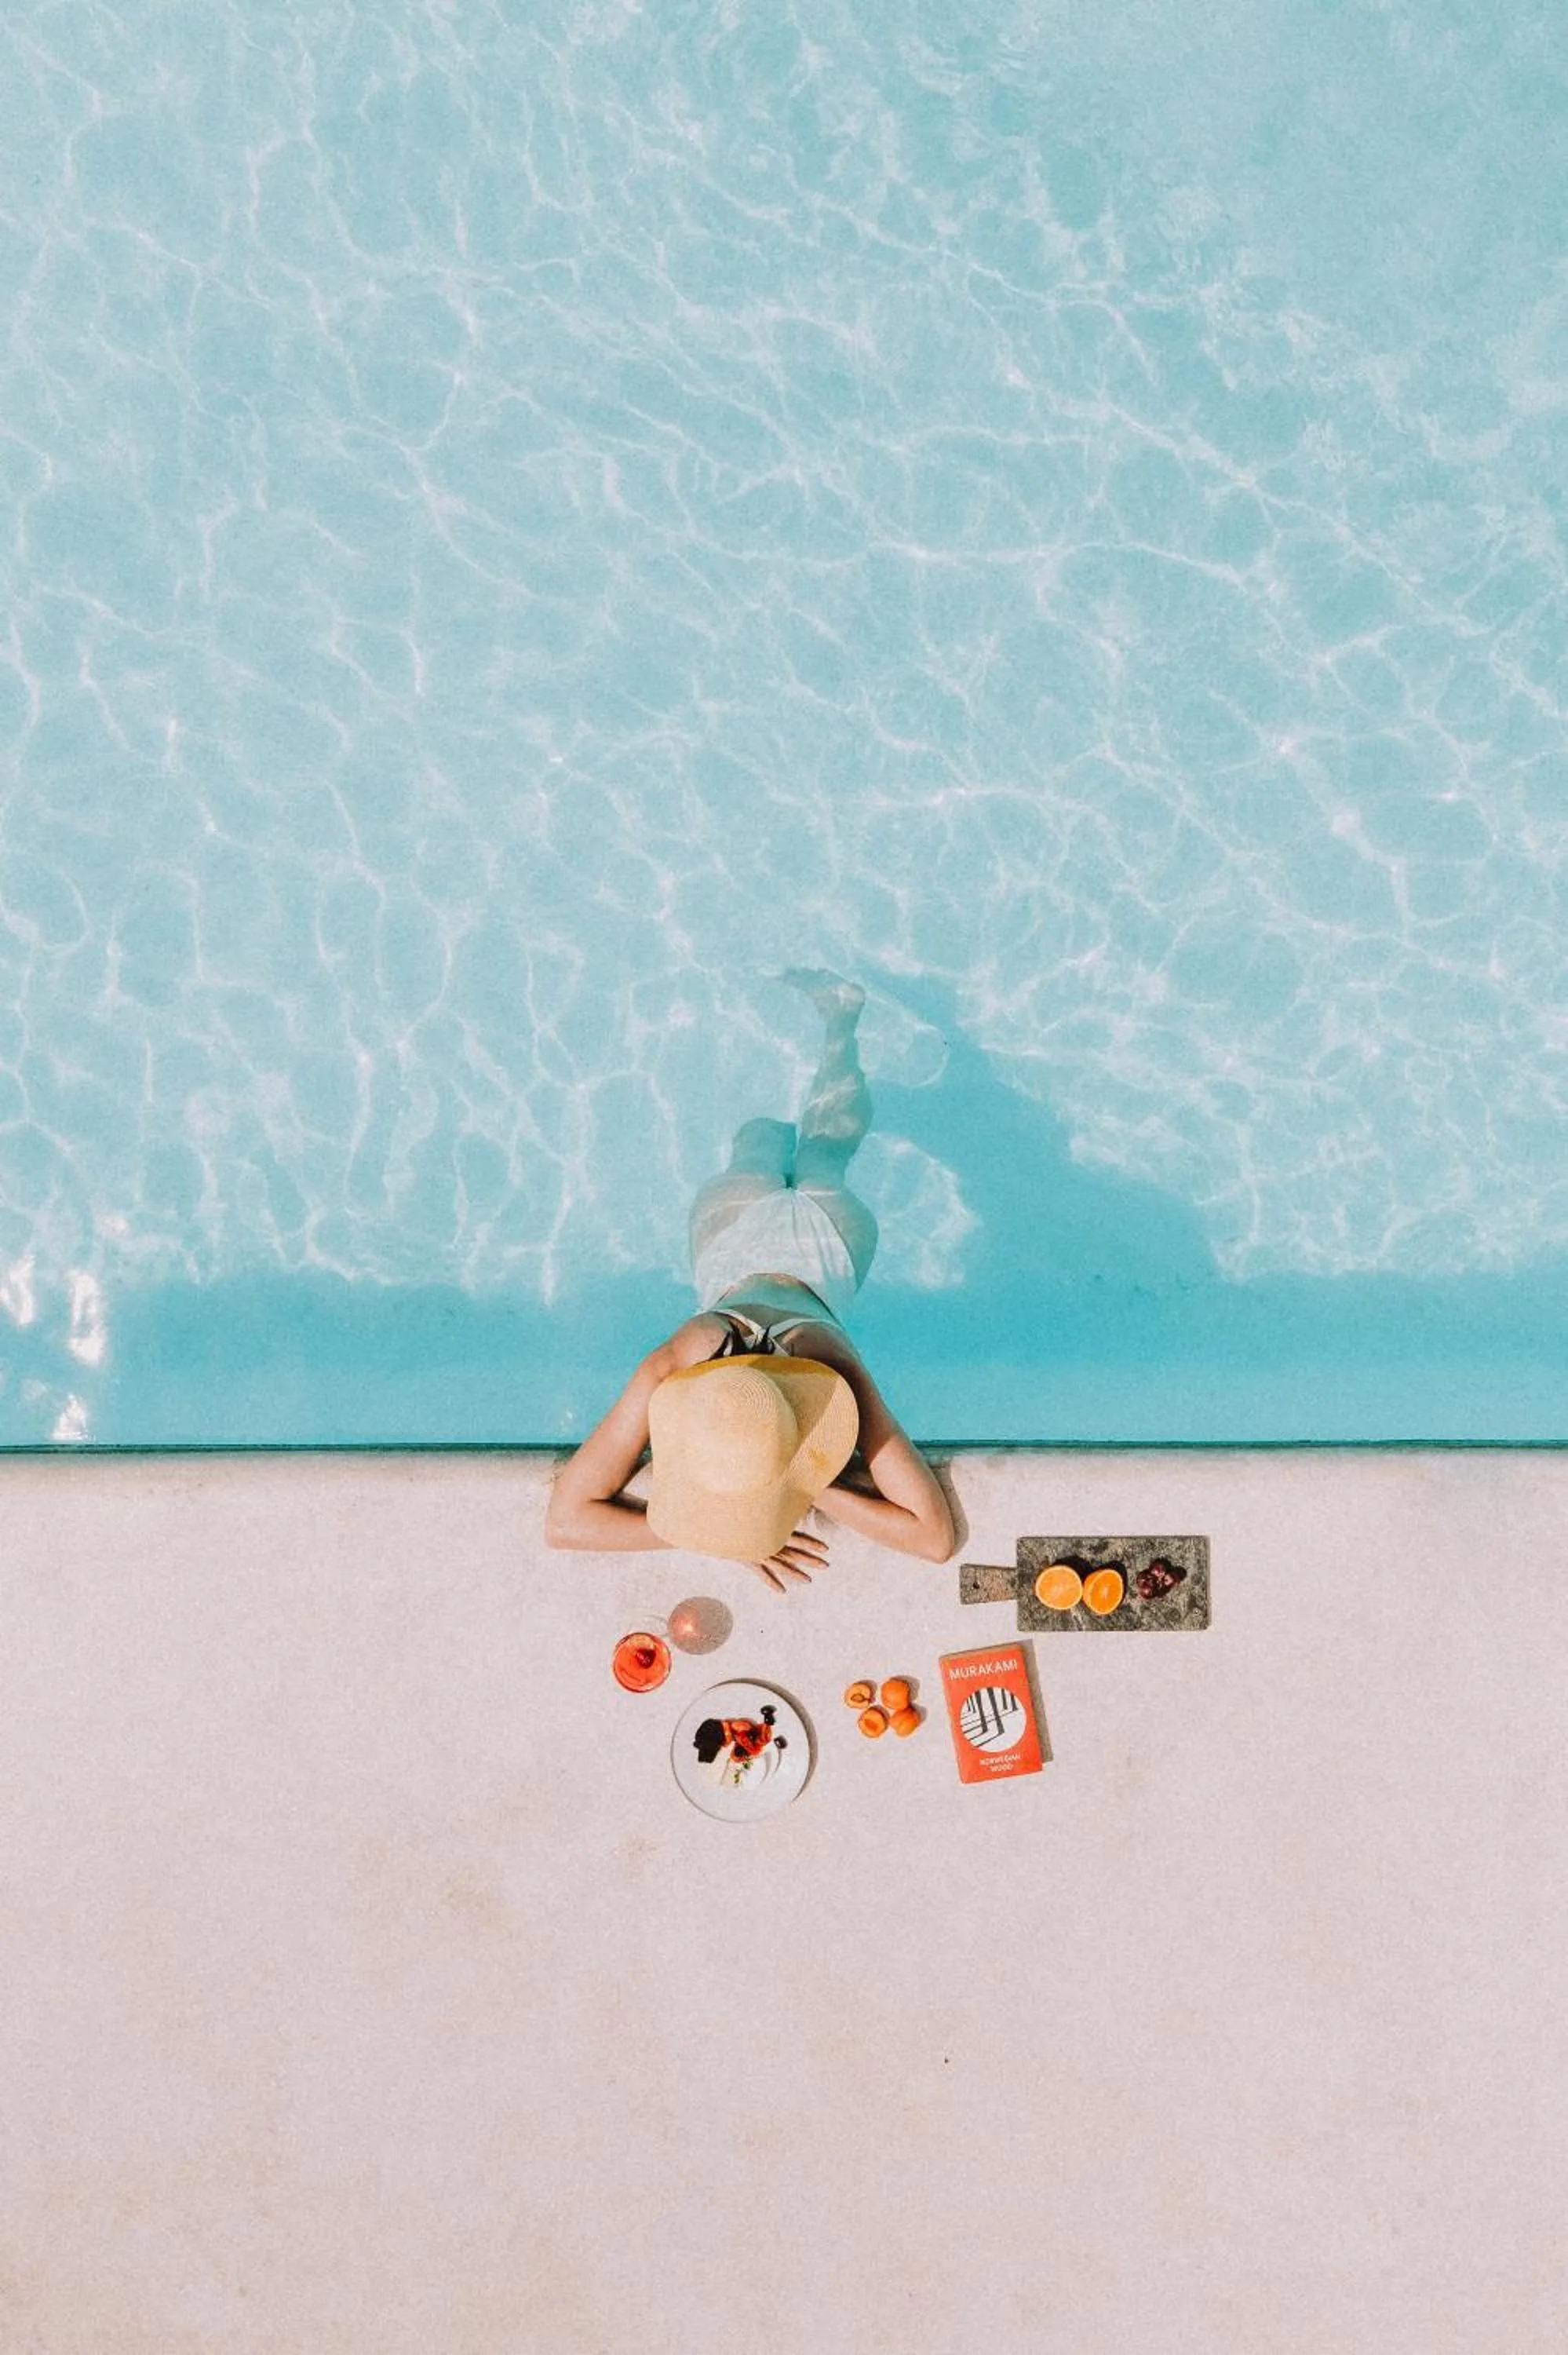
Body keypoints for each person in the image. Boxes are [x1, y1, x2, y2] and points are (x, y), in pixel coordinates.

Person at [545, 970, 956, 1590]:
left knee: (806, 1149)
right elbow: (565, 1524)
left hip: (826, 1247)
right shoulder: (676, 1369)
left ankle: (836, 1023)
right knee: (802, 1150)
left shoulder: (826, 1374)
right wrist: (731, 1517)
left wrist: (776, 1495)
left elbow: (934, 1539)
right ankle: (840, 1023)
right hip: (739, 1236)